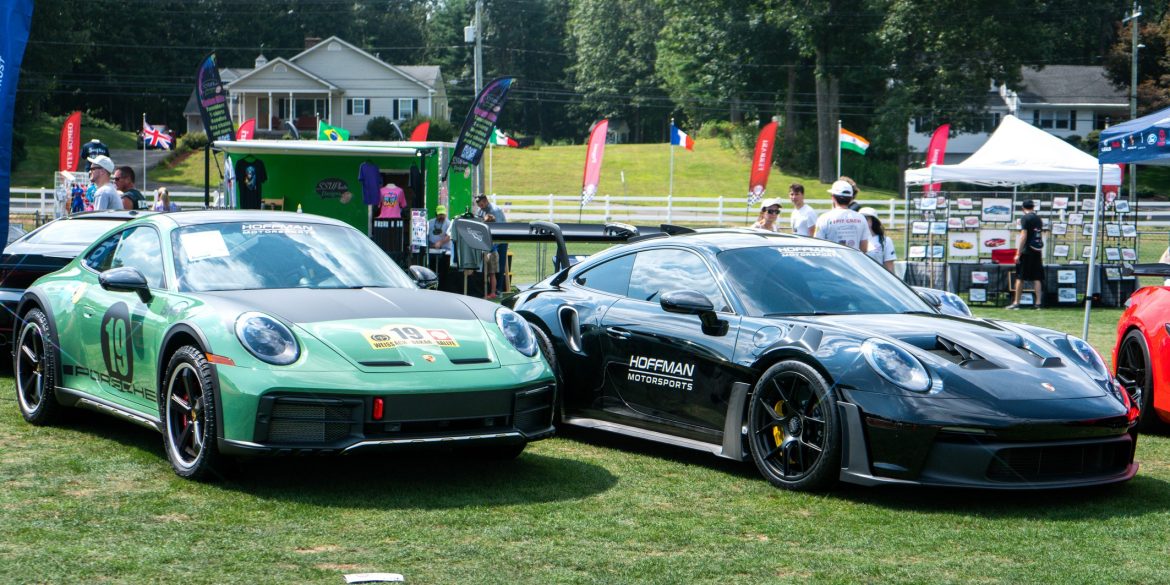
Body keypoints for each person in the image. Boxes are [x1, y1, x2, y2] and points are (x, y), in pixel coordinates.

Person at [1007, 199, 1044, 309]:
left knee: (1020, 277)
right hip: (1037, 251)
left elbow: (1023, 236)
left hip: (1027, 251)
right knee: (1037, 277)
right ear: (1033, 207)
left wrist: (1018, 252)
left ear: (1023, 208)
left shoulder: (1025, 218)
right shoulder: (1038, 219)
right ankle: (1038, 303)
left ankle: (1016, 303)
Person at [814, 180, 869, 253]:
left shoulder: (824, 218)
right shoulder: (861, 218)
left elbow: (817, 246)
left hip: (832, 263)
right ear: (850, 199)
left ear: (833, 197)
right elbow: (864, 249)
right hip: (854, 263)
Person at [474, 194, 509, 295]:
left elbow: (498, 229)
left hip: (501, 239)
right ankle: (488, 289)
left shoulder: (495, 211)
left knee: (500, 265)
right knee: (489, 268)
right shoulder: (480, 211)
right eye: (479, 205)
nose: (480, 207)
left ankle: (499, 289)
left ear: (485, 201)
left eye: (481, 204)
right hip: (489, 241)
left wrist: (491, 247)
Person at [859, 207, 895, 272]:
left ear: (873, 220)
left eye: (866, 218)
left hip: (877, 279)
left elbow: (889, 267)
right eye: (861, 218)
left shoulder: (886, 241)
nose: (863, 221)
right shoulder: (856, 239)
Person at [427, 205, 453, 291]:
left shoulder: (448, 223)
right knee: (432, 269)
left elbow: (449, 235)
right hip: (432, 251)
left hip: (445, 251)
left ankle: (443, 288)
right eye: (439, 214)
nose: (441, 216)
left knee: (443, 271)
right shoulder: (430, 222)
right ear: (436, 214)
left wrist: (440, 242)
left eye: (443, 214)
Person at [481, 212, 500, 299]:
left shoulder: (493, 232)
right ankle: (488, 291)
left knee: (492, 274)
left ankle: (492, 292)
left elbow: (493, 245)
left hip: (492, 253)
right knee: (488, 274)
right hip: (489, 253)